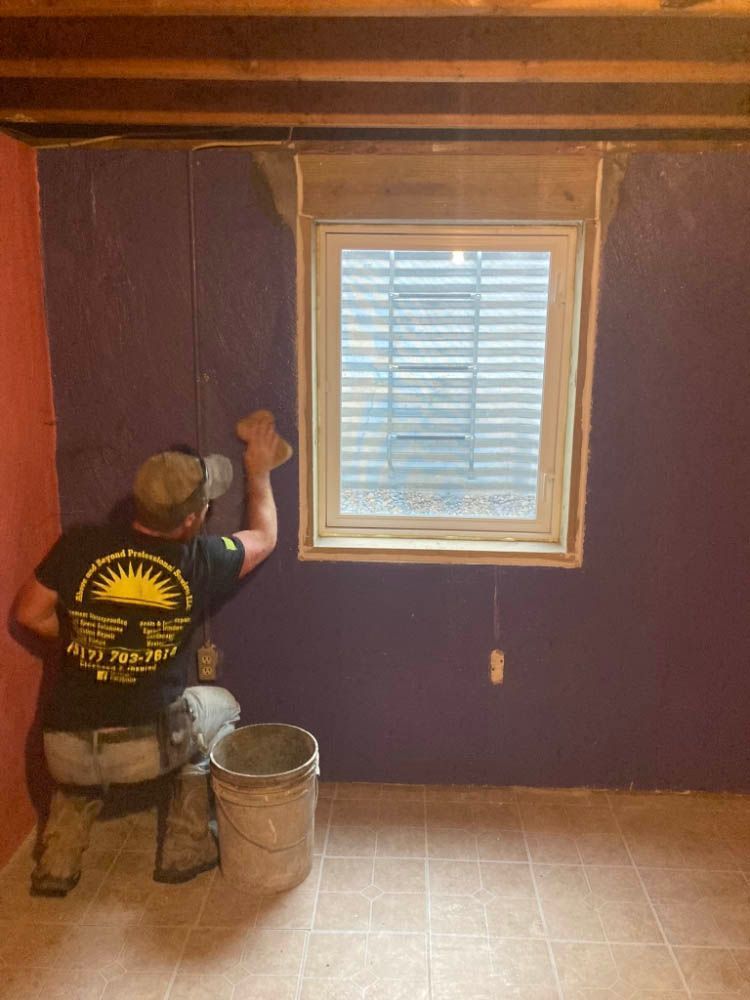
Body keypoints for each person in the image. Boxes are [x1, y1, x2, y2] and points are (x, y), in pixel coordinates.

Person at [14, 415, 282, 896]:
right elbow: (264, 537)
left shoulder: (78, 544)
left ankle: (57, 862)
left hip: (64, 751)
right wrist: (259, 471)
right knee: (221, 707)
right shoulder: (200, 560)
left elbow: (29, 615)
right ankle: (186, 848)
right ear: (190, 521)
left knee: (81, 737)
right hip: (148, 749)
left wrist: (87, 642)